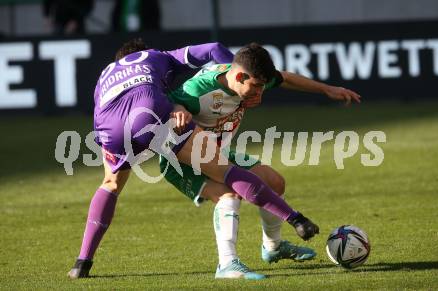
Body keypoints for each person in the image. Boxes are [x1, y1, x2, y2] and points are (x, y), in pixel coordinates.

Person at [68, 39, 320, 279]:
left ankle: (82, 262)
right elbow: (212, 49)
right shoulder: (157, 57)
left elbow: (104, 105)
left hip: (108, 124)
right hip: (149, 111)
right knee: (226, 175)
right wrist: (175, 106)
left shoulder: (106, 73)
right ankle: (289, 223)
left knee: (111, 184)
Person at [162, 43, 362, 279]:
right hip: (180, 159)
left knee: (275, 183)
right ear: (239, 76)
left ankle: (273, 247)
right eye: (255, 87)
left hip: (217, 151)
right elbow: (167, 103)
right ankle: (227, 264)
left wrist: (326, 89)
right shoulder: (199, 91)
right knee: (229, 194)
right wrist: (176, 107)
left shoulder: (246, 76)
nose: (260, 94)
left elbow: (285, 78)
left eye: (263, 87)